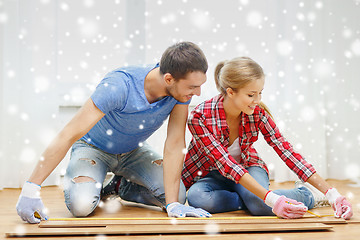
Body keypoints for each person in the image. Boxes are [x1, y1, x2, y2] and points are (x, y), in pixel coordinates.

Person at [16, 41, 212, 224]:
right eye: (193, 87)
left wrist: (172, 205)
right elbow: (68, 134)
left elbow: (175, 143)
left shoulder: (179, 92)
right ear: (169, 79)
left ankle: (118, 186)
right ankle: (90, 180)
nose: (198, 93)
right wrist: (31, 188)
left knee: (177, 195)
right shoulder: (119, 86)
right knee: (81, 206)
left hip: (133, 152)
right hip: (93, 148)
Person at [181, 57, 353, 219]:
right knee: (197, 198)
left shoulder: (258, 114)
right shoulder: (199, 117)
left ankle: (307, 195)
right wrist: (270, 199)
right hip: (212, 173)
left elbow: (286, 151)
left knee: (259, 203)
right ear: (231, 92)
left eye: (260, 93)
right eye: (251, 95)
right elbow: (225, 163)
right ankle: (252, 199)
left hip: (248, 166)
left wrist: (332, 194)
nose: (257, 100)